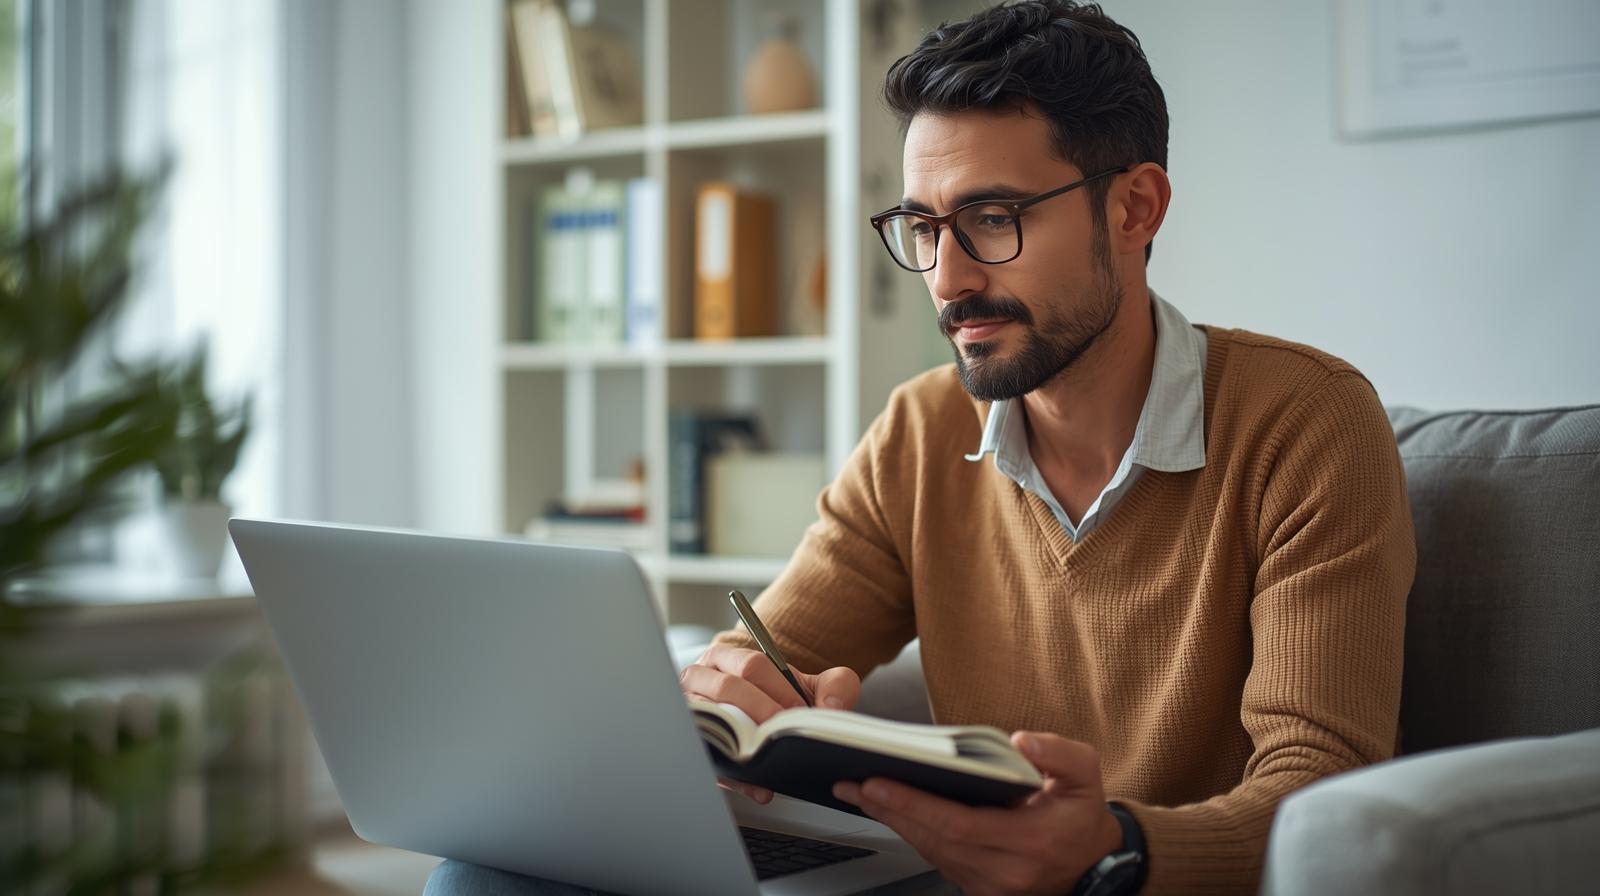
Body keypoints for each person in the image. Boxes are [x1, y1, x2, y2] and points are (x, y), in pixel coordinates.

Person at [427, 2, 1414, 894]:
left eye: (990, 219)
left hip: (1142, 878)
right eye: (920, 225)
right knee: (478, 876)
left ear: (1134, 207)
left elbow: (1320, 786)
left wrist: (1116, 845)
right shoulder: (919, 429)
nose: (944, 280)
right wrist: (722, 688)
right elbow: (770, 650)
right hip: (943, 874)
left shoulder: (1303, 421)